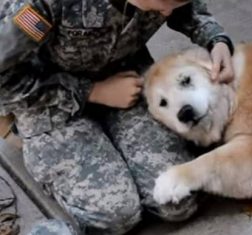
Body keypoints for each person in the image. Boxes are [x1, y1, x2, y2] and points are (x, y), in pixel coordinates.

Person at [0, 0, 235, 234]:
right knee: (116, 217)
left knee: (177, 199)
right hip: (48, 101)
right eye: (162, 4)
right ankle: (15, 131)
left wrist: (215, 39)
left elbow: (184, 7)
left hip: (124, 79)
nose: (166, 13)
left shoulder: (166, 3)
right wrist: (93, 92)